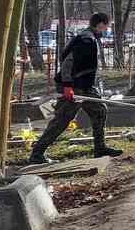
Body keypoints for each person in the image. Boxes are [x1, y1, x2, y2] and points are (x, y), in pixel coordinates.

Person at [27, 13, 123, 165]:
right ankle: (37, 154)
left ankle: (100, 148)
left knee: (99, 111)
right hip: (73, 86)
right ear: (100, 25)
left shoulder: (89, 38)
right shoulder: (86, 40)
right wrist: (67, 86)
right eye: (107, 26)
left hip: (85, 86)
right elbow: (67, 63)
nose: (107, 29)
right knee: (62, 120)